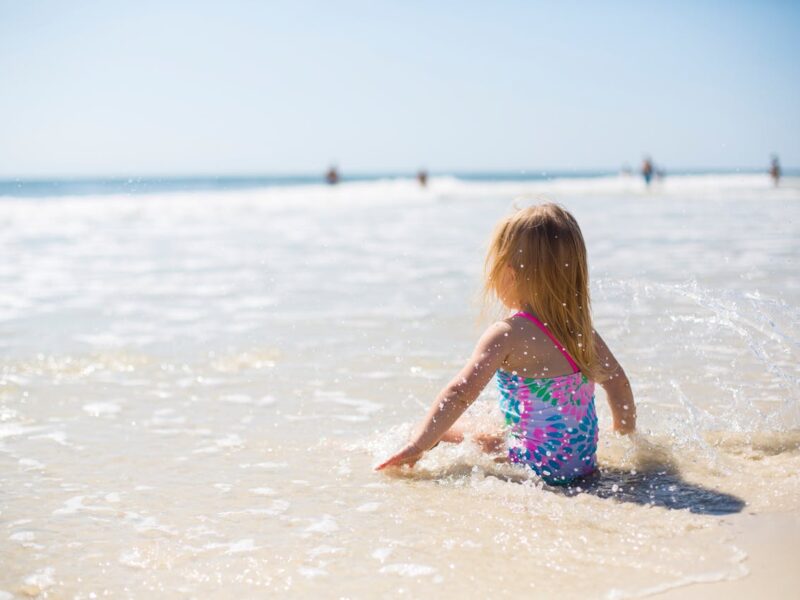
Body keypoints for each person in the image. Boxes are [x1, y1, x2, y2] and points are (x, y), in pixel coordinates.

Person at [376, 203, 636, 485]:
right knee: (491, 414)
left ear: (510, 273)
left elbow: (460, 393)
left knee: (439, 430)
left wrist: (418, 445)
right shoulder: (582, 332)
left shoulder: (507, 334)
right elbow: (618, 383)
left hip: (533, 468)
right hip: (582, 467)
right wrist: (625, 437)